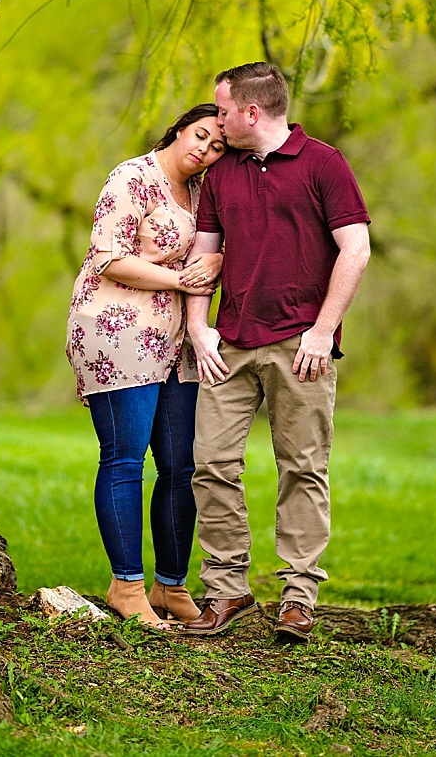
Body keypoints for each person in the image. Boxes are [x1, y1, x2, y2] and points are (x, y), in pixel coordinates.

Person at [181, 62, 371, 644]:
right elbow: (204, 260)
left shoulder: (324, 164)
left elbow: (356, 249)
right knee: (210, 465)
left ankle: (298, 598)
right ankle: (227, 591)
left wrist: (323, 329)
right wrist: (198, 326)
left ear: (251, 112)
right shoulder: (222, 174)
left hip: (301, 348)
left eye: (221, 110)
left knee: (303, 468)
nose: (215, 120)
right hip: (230, 344)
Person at [65, 104, 227, 628]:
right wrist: (182, 280)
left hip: (177, 342)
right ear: (180, 129)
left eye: (217, 146)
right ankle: (127, 587)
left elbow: (214, 250)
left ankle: (170, 586)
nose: (204, 149)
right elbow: (108, 257)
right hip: (118, 334)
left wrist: (217, 261)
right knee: (125, 459)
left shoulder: (202, 194)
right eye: (200, 135)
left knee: (182, 465)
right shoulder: (132, 177)